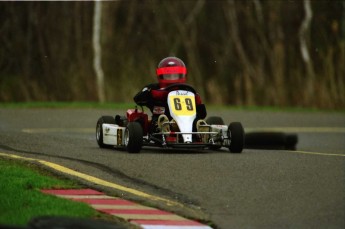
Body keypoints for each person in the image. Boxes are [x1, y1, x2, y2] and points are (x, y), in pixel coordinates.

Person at [133, 56, 207, 133]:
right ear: (161, 75)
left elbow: (202, 114)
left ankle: (200, 127)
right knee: (159, 120)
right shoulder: (153, 88)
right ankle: (164, 126)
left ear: (181, 75)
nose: (172, 78)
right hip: (160, 120)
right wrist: (151, 94)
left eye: (175, 75)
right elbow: (137, 98)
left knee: (195, 120)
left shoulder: (188, 90)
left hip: (187, 121)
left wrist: (197, 102)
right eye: (168, 76)